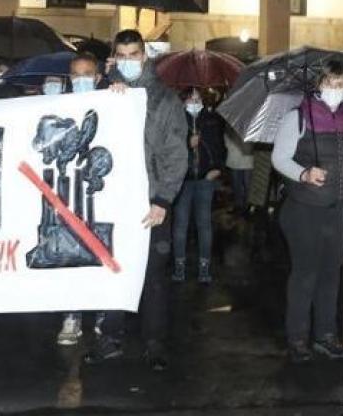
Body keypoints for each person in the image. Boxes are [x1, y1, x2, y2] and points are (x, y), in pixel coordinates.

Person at [84, 30, 189, 371]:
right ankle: (110, 338)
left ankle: (154, 344)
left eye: (134, 55)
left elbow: (176, 154)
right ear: (115, 56)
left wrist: (163, 200)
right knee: (113, 271)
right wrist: (109, 89)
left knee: (153, 278)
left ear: (144, 57)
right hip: (113, 201)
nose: (129, 61)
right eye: (122, 56)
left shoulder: (164, 100)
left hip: (149, 202)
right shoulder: (110, 92)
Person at [271, 60, 343, 363]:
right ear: (319, 85)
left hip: (337, 209)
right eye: (329, 83)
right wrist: (304, 173)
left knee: (331, 274)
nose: (335, 90)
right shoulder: (298, 117)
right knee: (305, 274)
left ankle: (325, 335)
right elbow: (279, 159)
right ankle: (297, 338)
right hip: (303, 209)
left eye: (340, 84)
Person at [56, 52, 105, 347]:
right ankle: (71, 316)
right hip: (67, 193)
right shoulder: (59, 108)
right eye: (76, 76)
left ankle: (101, 313)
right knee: (69, 255)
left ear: (98, 78)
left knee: (99, 252)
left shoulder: (112, 105)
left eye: (88, 74)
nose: (82, 80)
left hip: (99, 193)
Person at [172, 88, 225, 284]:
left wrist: (218, 168)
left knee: (204, 224)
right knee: (181, 225)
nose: (194, 101)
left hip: (205, 179)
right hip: (183, 180)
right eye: (190, 98)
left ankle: (204, 266)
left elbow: (220, 146)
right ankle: (179, 266)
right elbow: (170, 148)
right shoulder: (176, 119)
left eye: (198, 97)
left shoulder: (211, 119)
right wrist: (188, 143)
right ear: (184, 100)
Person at [224, 128, 254, 216]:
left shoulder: (251, 123)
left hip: (247, 156)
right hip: (235, 156)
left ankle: (247, 207)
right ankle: (239, 206)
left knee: (247, 184)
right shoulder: (232, 122)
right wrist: (231, 147)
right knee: (236, 184)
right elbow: (226, 137)